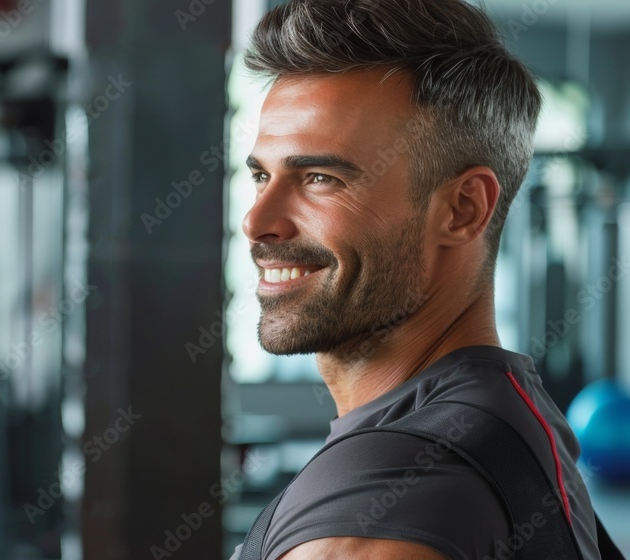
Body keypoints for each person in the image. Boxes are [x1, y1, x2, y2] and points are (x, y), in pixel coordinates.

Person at [231, 0, 603, 559]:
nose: (256, 222)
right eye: (262, 175)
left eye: (319, 177)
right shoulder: (510, 413)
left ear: (462, 209)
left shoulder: (381, 515)